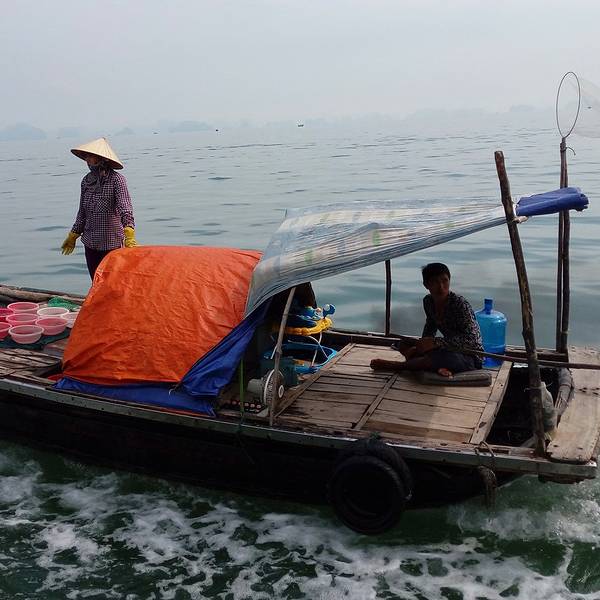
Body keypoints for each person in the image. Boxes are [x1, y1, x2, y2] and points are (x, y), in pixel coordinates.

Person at [370, 262, 484, 377]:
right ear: (426, 285)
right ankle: (434, 365)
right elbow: (430, 328)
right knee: (403, 343)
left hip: (470, 355)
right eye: (435, 282)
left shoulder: (459, 304)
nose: (441, 287)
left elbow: (471, 340)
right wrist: (422, 346)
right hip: (447, 347)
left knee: (441, 357)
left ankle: (397, 366)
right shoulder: (428, 302)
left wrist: (436, 342)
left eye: (444, 281)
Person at [60, 137, 137, 279]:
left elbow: (124, 206)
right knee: (95, 280)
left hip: (111, 243)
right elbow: (82, 212)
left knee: (112, 281)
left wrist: (129, 231)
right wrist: (73, 234)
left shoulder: (116, 180)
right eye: (86, 156)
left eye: (91, 156)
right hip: (90, 242)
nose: (87, 159)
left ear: (101, 158)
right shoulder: (86, 181)